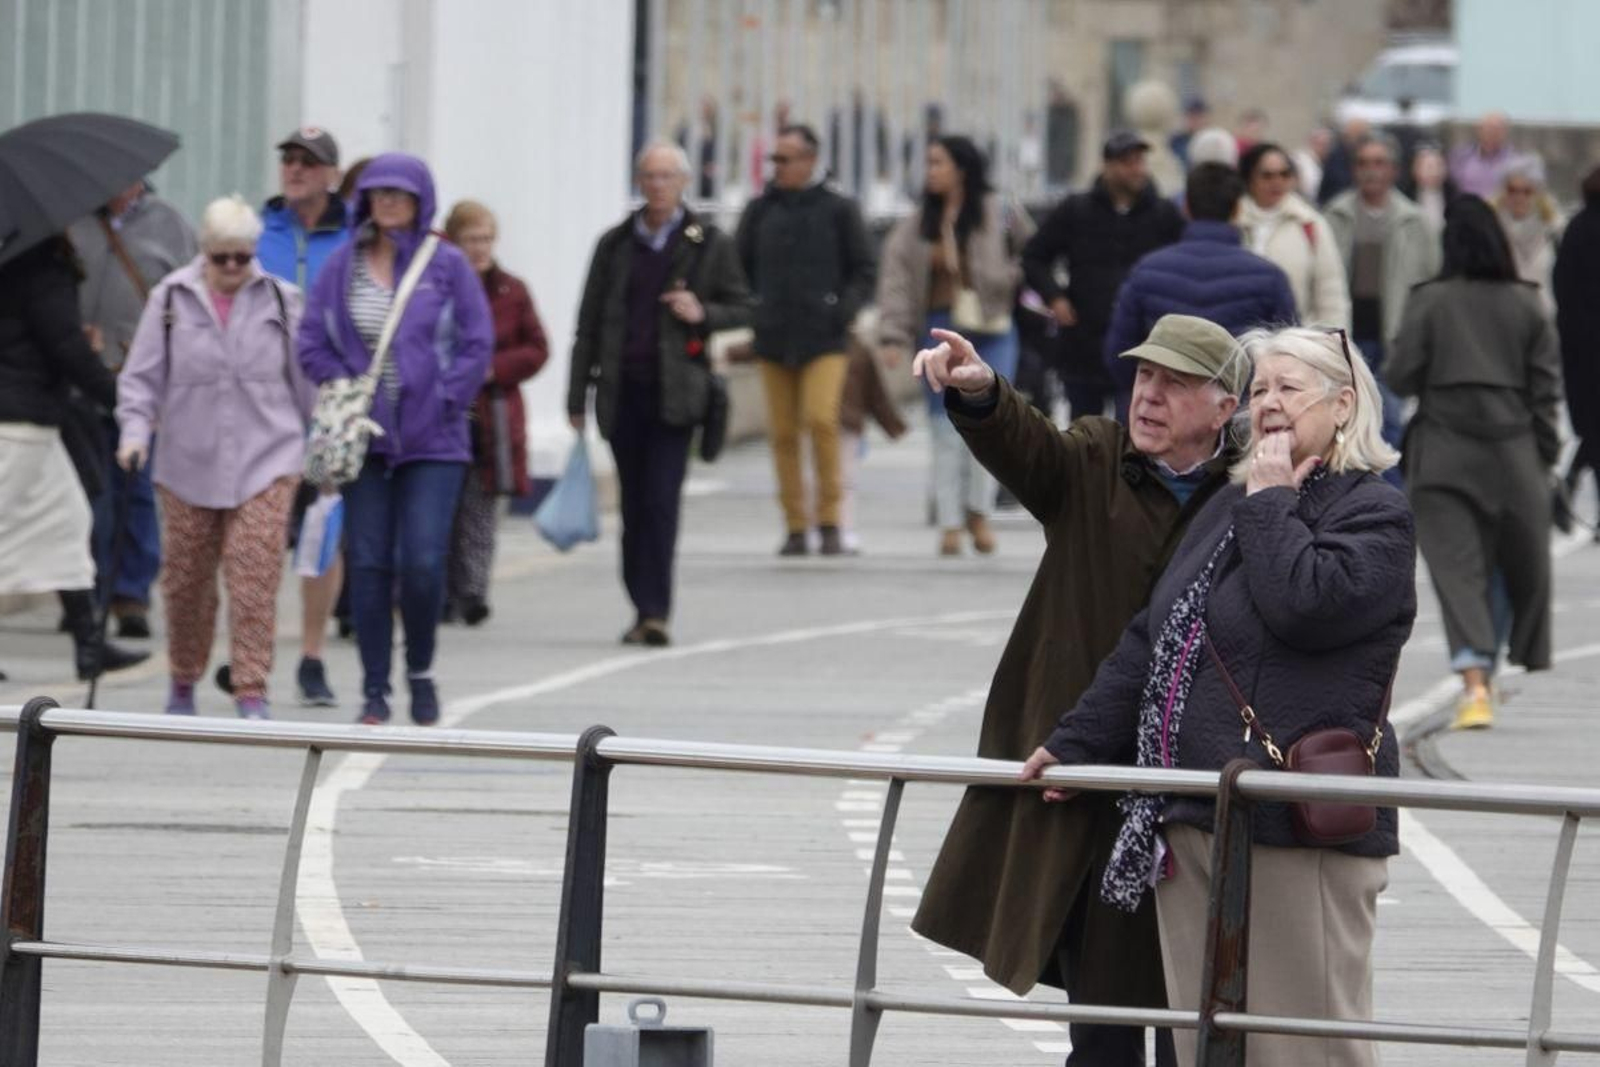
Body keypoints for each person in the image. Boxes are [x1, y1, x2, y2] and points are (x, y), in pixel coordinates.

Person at [1022, 324, 1415, 1067]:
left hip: (1299, 831)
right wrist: (1075, 739)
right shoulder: (1229, 502)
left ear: (1343, 405)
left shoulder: (1374, 512)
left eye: (1289, 389)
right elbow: (1154, 633)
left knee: (1303, 1047)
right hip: (1198, 812)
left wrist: (1269, 504)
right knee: (1205, 1048)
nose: (1268, 403)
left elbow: (1304, 604)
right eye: (1259, 388)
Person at [911, 314, 1249, 1067]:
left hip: (1194, 791)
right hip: (1093, 784)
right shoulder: (1097, 458)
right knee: (1103, 1020)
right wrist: (981, 392)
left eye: (1176, 382)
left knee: (1200, 1020)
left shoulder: (1253, 494)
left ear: (1226, 407)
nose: (1150, 397)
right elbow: (1030, 447)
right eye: (1144, 377)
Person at [296, 153, 494, 726]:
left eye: (400, 194)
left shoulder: (447, 264)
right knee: (371, 563)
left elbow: (477, 344)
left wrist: (446, 399)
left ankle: (422, 670)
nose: (387, 202)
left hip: (435, 442)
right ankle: (375, 689)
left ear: (421, 200)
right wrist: (344, 387)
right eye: (378, 193)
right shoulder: (342, 264)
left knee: (424, 561)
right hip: (365, 442)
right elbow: (311, 340)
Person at [114, 197, 313, 719]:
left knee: (253, 574)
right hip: (187, 463)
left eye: (240, 258)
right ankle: (182, 680)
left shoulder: (281, 300)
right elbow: (140, 378)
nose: (230, 269)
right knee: (185, 582)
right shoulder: (171, 299)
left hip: (268, 458)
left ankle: (251, 687)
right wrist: (134, 433)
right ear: (203, 252)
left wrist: (325, 449)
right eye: (220, 258)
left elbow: (309, 384)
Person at [1387, 196, 1562, 730]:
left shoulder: (1429, 301)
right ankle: (1491, 663)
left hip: (1442, 452)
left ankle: (1474, 682)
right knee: (1518, 567)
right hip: (1514, 453)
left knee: (1457, 571)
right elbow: (1546, 389)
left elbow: (1399, 377)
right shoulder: (1528, 304)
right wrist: (1547, 457)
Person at [567, 140, 751, 647]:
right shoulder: (614, 243)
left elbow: (741, 306)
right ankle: (639, 601)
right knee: (633, 507)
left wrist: (702, 311)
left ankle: (656, 611)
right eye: (649, 176)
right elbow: (587, 324)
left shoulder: (707, 241)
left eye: (667, 176)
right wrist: (575, 396)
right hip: (623, 392)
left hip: (678, 396)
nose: (657, 186)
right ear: (638, 182)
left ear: (684, 182)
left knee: (661, 502)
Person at [0, 236, 150, 682]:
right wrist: (124, 402)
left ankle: (90, 645)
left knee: (67, 522)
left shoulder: (15, 259)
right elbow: (66, 348)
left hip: (31, 417)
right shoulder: (40, 265)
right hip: (18, 421)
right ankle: (90, 644)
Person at [878, 135, 1033, 556]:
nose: (931, 171)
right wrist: (893, 335)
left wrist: (1007, 278)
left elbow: (1033, 252)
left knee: (991, 422)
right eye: (927, 163)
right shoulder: (916, 226)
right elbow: (896, 280)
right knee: (946, 429)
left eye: (938, 163)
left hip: (993, 326)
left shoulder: (997, 209)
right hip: (940, 327)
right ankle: (949, 521)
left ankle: (978, 515)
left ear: (962, 168)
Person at [735, 123, 876, 556]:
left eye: (784, 159)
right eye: (773, 159)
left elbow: (864, 268)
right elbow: (738, 267)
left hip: (825, 338)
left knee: (820, 420)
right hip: (774, 336)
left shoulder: (838, 209)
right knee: (781, 433)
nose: (776, 167)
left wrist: (842, 309)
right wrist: (754, 309)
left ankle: (830, 518)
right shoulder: (759, 211)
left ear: (810, 160)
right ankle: (796, 524)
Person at [247, 125, 351, 706]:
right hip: (261, 405)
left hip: (330, 402)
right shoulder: (257, 233)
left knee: (320, 531)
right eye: (288, 159)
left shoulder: (358, 235)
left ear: (332, 174)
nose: (296, 168)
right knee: (254, 539)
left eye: (309, 161)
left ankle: (312, 656)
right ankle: (251, 652)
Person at [68, 178, 197, 639]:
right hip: (81, 377)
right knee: (86, 488)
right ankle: (86, 587)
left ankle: (130, 595)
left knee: (135, 486)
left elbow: (190, 297)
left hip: (143, 377)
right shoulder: (74, 221)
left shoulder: (170, 224)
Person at [1102, 163, 1298, 421]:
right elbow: (1287, 357)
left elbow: (1119, 354)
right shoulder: (1269, 277)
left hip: (1161, 416)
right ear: (1238, 208)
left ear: (1186, 208)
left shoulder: (1147, 271)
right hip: (1237, 417)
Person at [1022, 130, 1184, 421]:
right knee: (1086, 437)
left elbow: (1183, 263)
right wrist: (1055, 297)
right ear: (1107, 166)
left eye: (1140, 161)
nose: (1137, 169)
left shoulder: (1163, 214)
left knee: (1136, 434)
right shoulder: (1076, 210)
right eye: (1127, 162)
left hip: (1142, 346)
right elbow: (1034, 257)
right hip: (1084, 344)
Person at [441, 199, 550, 624]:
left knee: (481, 507)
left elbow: (537, 348)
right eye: (471, 239)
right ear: (454, 241)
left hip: (493, 415)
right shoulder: (439, 286)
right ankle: (444, 590)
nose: (479, 248)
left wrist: (492, 369)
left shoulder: (511, 290)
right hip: (447, 412)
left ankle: (472, 590)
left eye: (486, 239)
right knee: (444, 505)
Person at [1325, 133, 1441, 462]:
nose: (1370, 171)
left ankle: (1392, 499)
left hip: (1394, 338)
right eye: (1363, 163)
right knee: (1343, 423)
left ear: (1393, 170)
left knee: (1390, 423)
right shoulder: (1336, 215)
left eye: (1379, 163)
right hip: (1346, 337)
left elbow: (1431, 280)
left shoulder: (1414, 221)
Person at [1237, 142, 1351, 329]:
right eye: (1267, 175)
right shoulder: (1233, 222)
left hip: (1295, 344)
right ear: (1249, 178)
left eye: (1285, 174)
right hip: (1240, 341)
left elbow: (1331, 292)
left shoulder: (1309, 223)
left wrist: (1333, 342)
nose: (1277, 182)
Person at [1552, 166, 1600, 536]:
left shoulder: (1575, 230)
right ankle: (1569, 484)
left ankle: (1568, 483)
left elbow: (1562, 290)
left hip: (1579, 350)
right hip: (1587, 345)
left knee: (1593, 429)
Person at [1494, 158, 1564, 317]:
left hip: (1544, 314)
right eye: (1512, 190)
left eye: (1527, 191)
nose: (1519, 197)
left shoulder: (1555, 229)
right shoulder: (1491, 228)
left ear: (1537, 193)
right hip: (1504, 315)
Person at [1449, 111, 1520, 198]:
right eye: (1489, 128)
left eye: (1498, 129)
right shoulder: (1461, 157)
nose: (1493, 133)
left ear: (1505, 132)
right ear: (1479, 130)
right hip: (1467, 209)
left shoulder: (1516, 161)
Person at [1398, 142, 1458, 237]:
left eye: (1439, 165)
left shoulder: (1454, 195)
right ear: (1415, 169)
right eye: (1429, 167)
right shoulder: (1405, 196)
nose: (1435, 172)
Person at [1316, 117, 1369, 205]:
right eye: (1355, 134)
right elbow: (1325, 188)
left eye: (1361, 135)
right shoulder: (1335, 157)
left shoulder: (1367, 158)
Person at [1168, 95, 1209, 169]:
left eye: (1199, 116)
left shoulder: (1210, 143)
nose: (1195, 120)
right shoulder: (1176, 142)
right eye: (1192, 115)